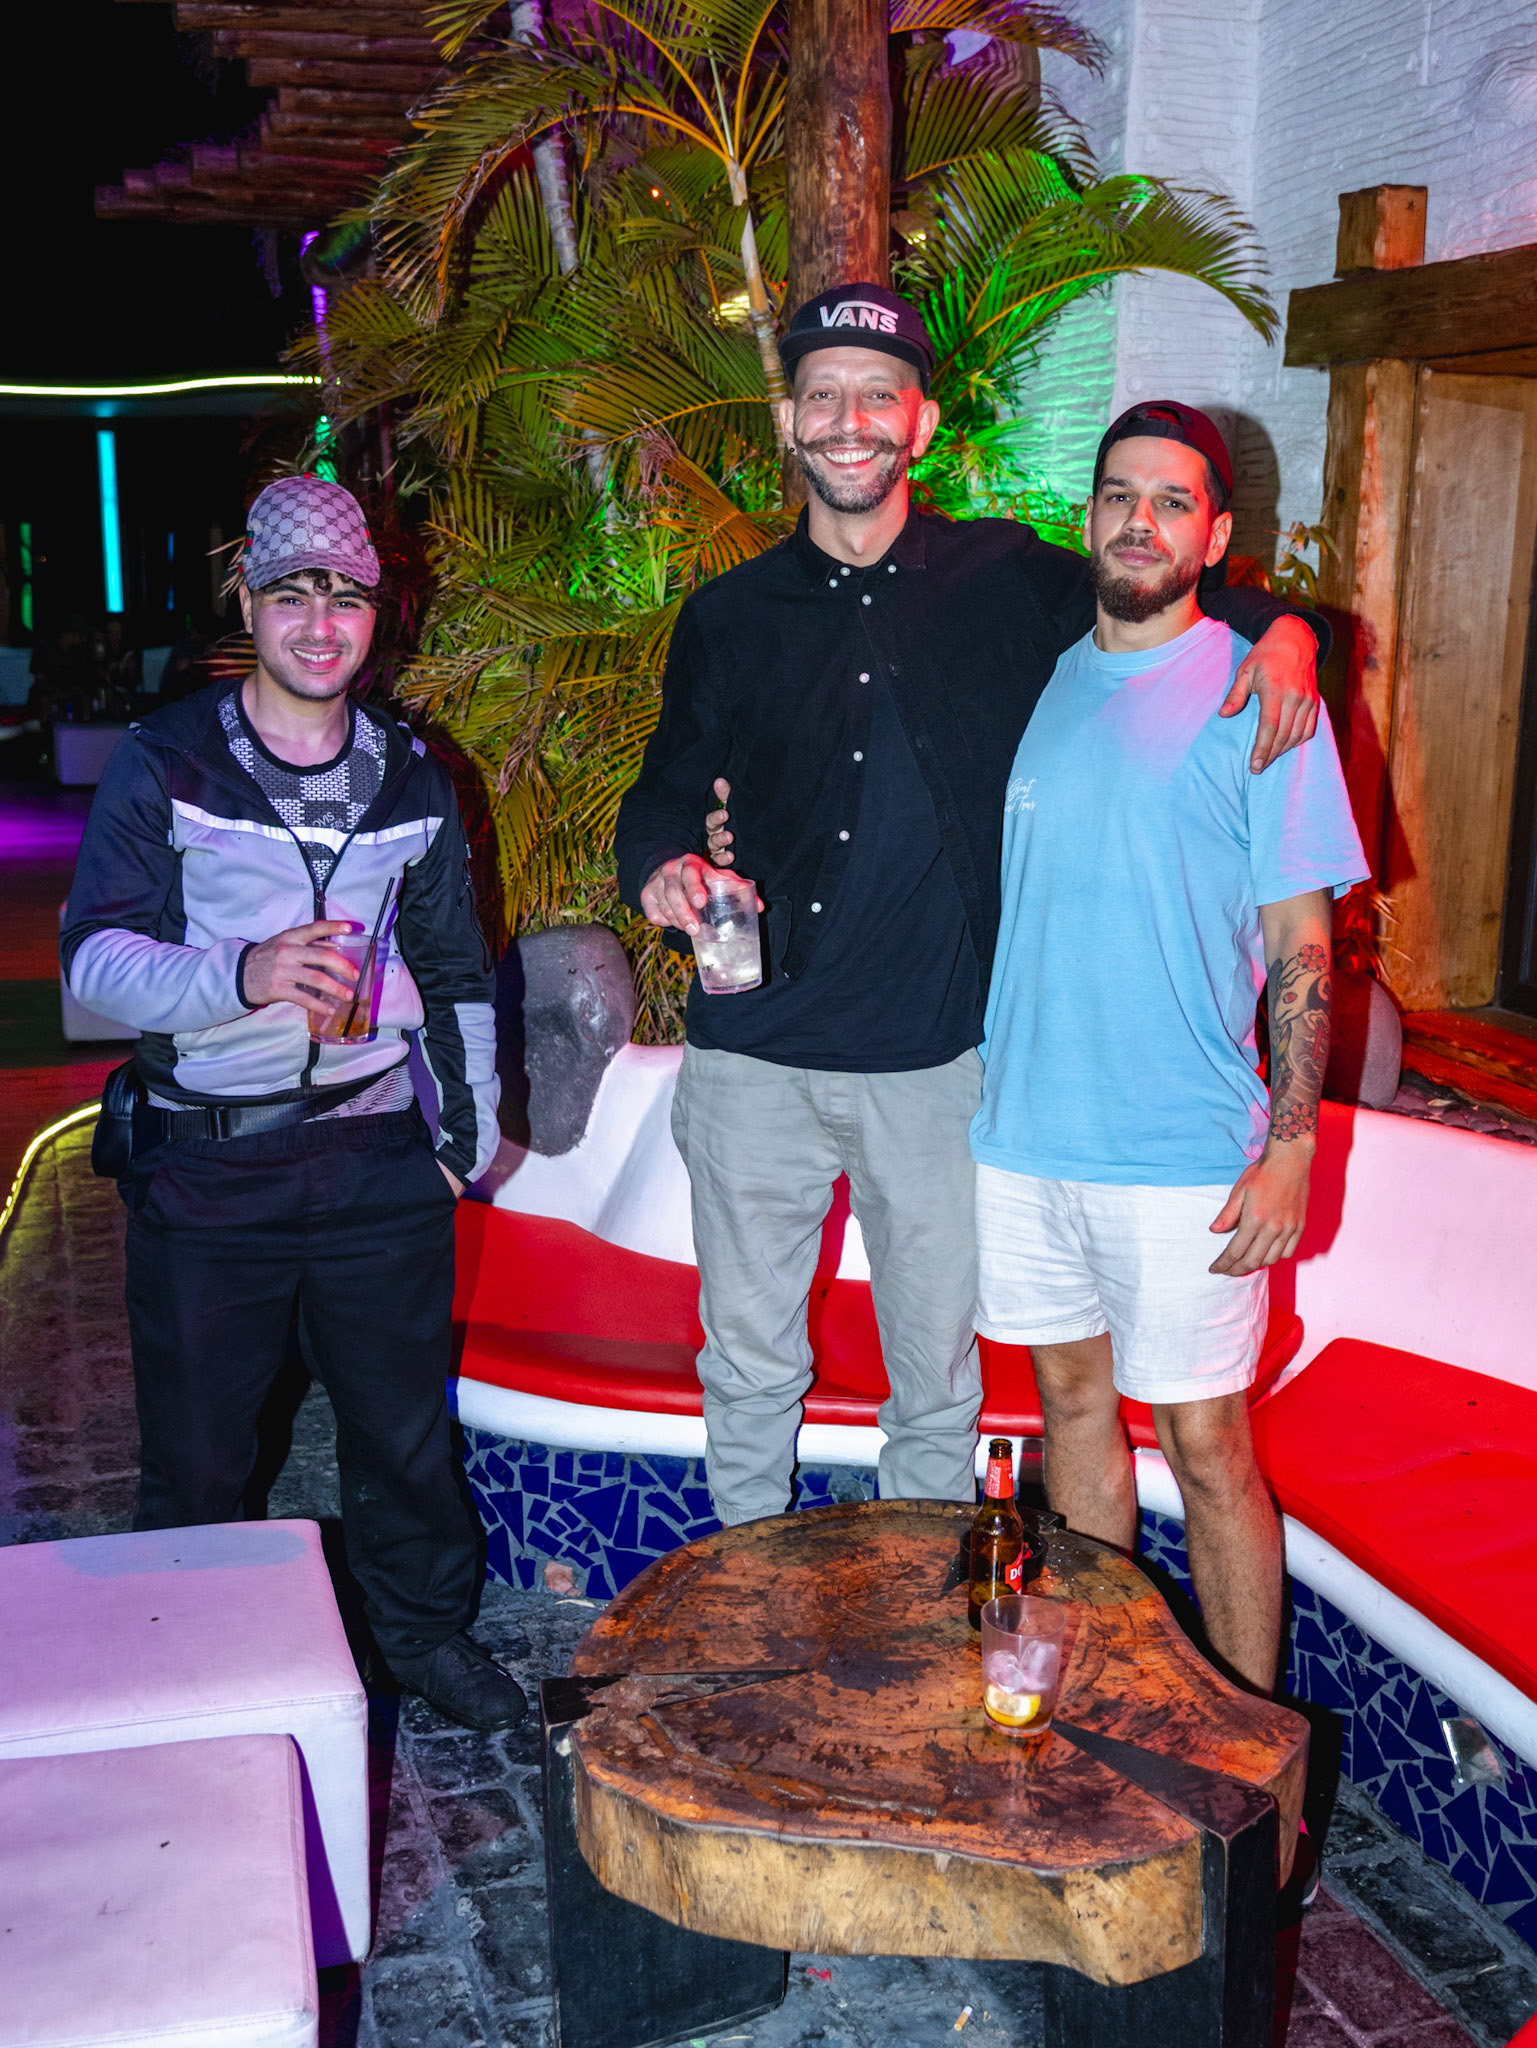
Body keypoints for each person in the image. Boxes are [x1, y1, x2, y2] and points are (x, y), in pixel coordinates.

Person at [615, 282, 1326, 1529]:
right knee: (747, 1368)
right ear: (789, 420)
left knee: (937, 1389)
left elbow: (1159, 577)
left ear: (922, 423)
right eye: (823, 396)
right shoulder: (727, 616)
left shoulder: (1005, 576)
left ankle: (911, 1616)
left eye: (876, 396)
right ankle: (745, 1603)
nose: (849, 421)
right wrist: (665, 863)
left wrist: (1289, 633)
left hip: (937, 1069)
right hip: (751, 1064)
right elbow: (663, 788)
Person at [61, 474, 524, 1732]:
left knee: (402, 1440)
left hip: (375, 1159)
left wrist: (458, 1147)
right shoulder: (169, 758)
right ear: (247, 600)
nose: (321, 625)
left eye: (346, 597)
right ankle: (196, 1662)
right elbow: (92, 963)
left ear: (378, 612)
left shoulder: (413, 777)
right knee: (201, 1452)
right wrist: (243, 972)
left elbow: (456, 970)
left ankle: (422, 1636)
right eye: (292, 595)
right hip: (210, 1165)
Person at [970, 403, 1369, 1692]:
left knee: (1206, 1447)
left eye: (1171, 501)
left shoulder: (1260, 692)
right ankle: (1105, 1687)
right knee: (1072, 1415)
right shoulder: (1039, 676)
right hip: (1025, 1138)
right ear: (1087, 515)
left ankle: (1251, 1743)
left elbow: (1301, 942)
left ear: (1215, 534)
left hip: (1183, 1149)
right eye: (1117, 495)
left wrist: (1292, 1147)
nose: (1139, 521)